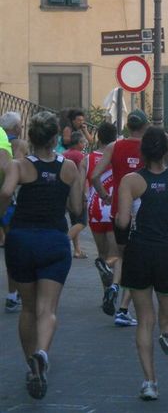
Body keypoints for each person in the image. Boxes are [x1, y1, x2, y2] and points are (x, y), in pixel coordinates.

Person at [0, 111, 82, 399]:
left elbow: (6, 192)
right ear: (55, 137)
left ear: (30, 137)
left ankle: (31, 367)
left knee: (27, 308)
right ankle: (42, 352)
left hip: (21, 239)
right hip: (54, 240)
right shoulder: (70, 167)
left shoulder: (18, 165)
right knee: (48, 309)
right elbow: (75, 207)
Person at [117, 126, 168, 400]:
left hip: (139, 252)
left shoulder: (130, 181)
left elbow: (122, 222)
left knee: (144, 320)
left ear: (142, 151)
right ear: (167, 152)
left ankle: (150, 382)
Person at [92, 109, 149, 327]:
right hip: (143, 212)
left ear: (128, 126)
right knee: (137, 263)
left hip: (118, 211)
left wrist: (105, 196)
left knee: (123, 255)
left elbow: (95, 175)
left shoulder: (113, 146)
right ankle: (123, 309)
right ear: (144, 126)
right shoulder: (148, 146)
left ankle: (114, 287)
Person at [81, 122, 119, 291]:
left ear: (98, 137)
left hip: (94, 209)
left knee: (102, 255)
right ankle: (112, 291)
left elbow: (81, 185)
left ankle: (106, 291)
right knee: (116, 255)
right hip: (113, 207)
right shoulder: (117, 156)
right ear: (115, 137)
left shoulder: (87, 160)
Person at [0, 112, 27, 313]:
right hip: (9, 201)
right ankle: (12, 294)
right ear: (17, 127)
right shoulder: (18, 144)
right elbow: (17, 173)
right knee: (14, 248)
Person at [63, 131, 88, 259]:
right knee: (82, 222)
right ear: (78, 143)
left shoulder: (64, 154)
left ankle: (77, 250)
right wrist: (84, 194)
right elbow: (82, 177)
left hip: (64, 190)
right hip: (76, 191)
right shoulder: (80, 156)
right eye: (83, 142)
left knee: (74, 222)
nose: (85, 144)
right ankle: (62, 243)